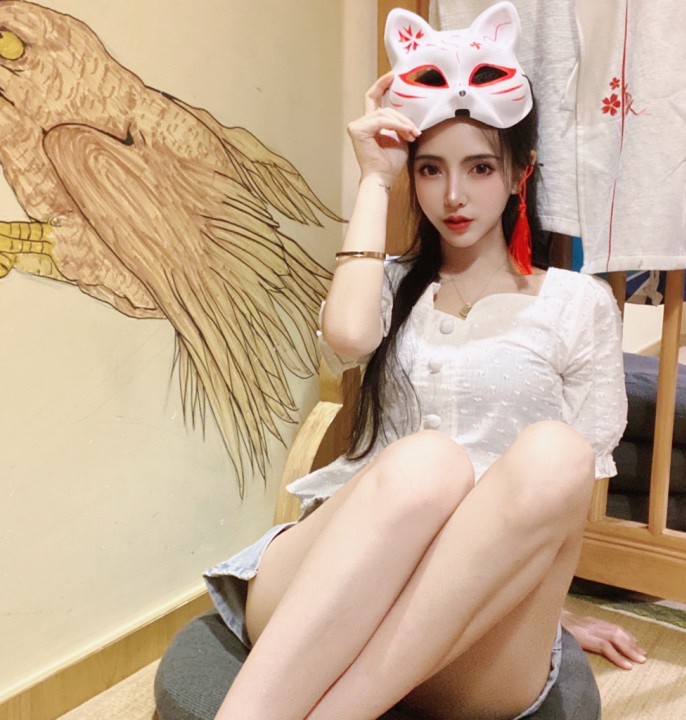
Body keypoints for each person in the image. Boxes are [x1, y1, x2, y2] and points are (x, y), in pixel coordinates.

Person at [206, 4, 646, 718]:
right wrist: (374, 179)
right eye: (430, 169)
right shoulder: (386, 284)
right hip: (332, 587)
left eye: (480, 168)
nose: (453, 195)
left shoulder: (579, 305)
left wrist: (546, 608)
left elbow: (555, 506)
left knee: (558, 452)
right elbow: (348, 338)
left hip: (462, 630)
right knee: (427, 463)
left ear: (520, 172)